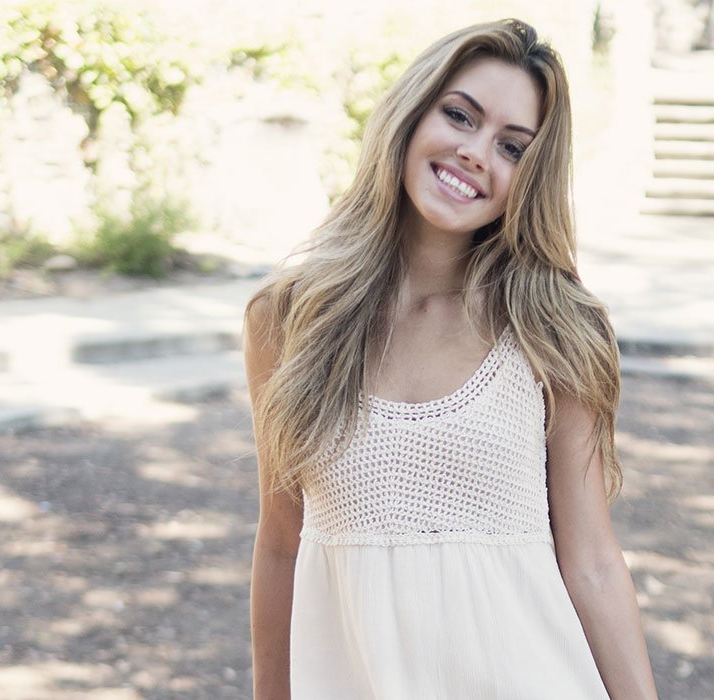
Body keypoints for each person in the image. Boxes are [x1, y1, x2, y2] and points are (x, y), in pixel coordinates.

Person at [244, 18, 659, 700]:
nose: (474, 152)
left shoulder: (553, 329)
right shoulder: (288, 319)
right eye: (460, 115)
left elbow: (592, 562)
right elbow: (281, 546)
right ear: (412, 114)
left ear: (531, 176)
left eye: (511, 147)